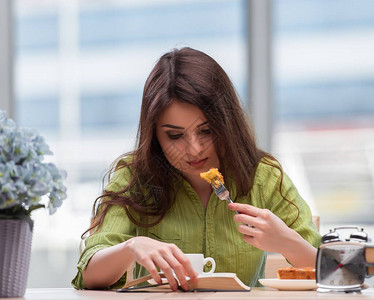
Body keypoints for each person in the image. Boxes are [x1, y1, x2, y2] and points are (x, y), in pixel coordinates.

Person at [72, 47, 321, 291]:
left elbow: (336, 271)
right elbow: (90, 276)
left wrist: (287, 242)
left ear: (227, 122)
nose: (194, 149)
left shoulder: (263, 176)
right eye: (175, 135)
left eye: (206, 131)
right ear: (155, 135)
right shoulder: (134, 176)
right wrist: (132, 246)